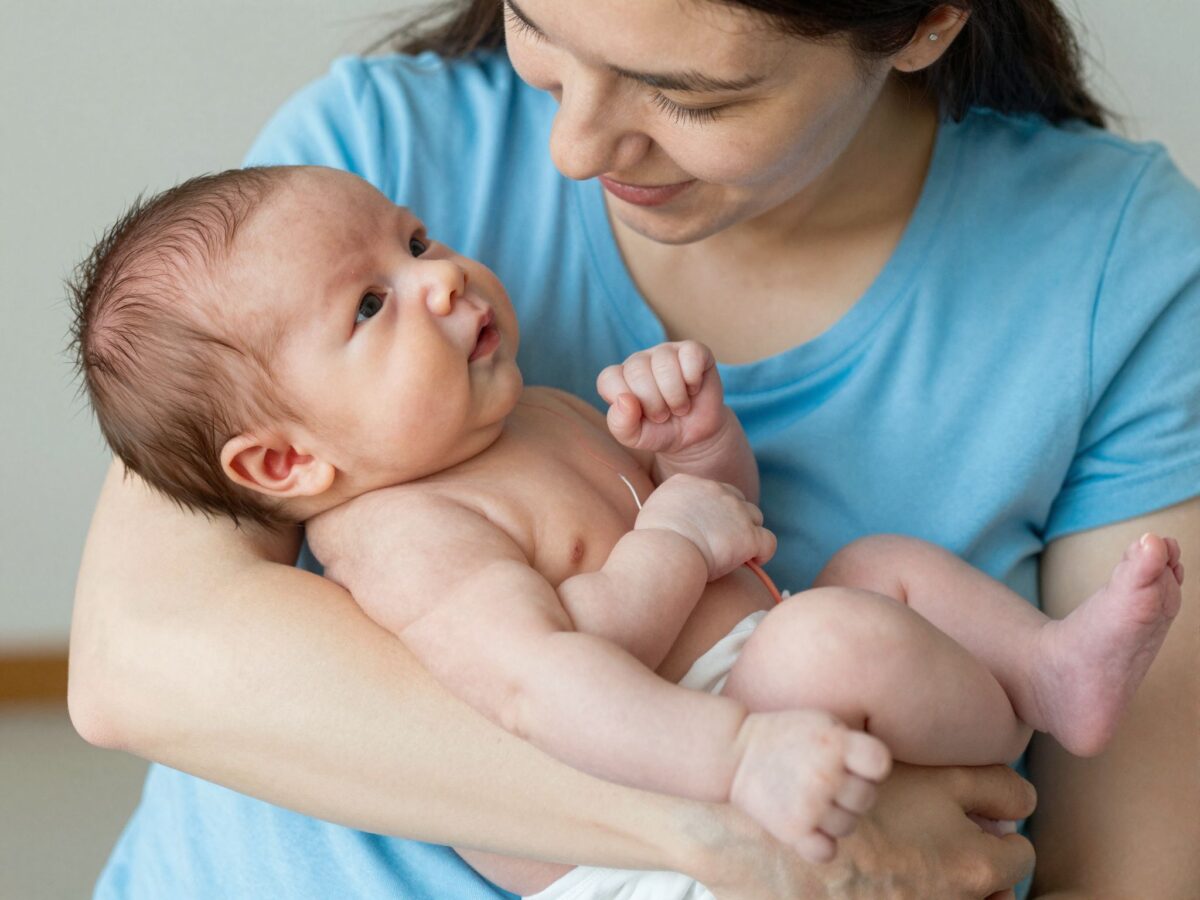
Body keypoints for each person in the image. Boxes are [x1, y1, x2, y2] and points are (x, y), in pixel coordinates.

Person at [69, 2, 1200, 898]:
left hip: (762, 680)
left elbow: (730, 534)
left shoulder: (1118, 267)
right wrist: (740, 830)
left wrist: (700, 457)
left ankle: (1048, 668)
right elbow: (141, 661)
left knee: (871, 578)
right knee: (830, 636)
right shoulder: (333, 205)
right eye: (541, 30)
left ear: (924, 21)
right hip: (678, 801)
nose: (568, 146)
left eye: (684, 92)